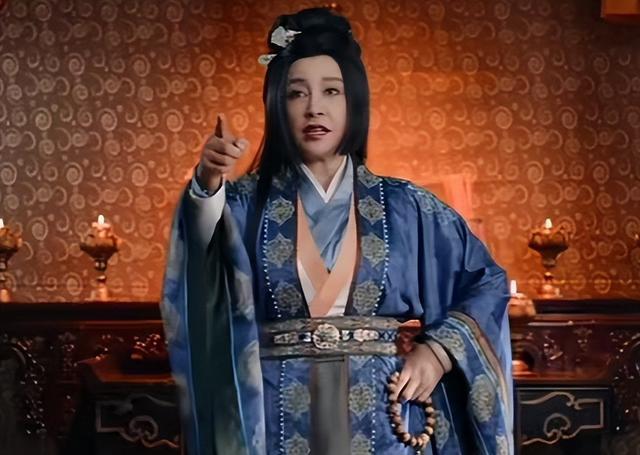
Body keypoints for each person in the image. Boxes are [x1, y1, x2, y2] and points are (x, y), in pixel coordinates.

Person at [161, 7, 513, 455]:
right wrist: (207, 186)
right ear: (277, 104)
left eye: (332, 91)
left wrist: (438, 352)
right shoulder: (243, 204)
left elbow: (486, 282)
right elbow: (200, 270)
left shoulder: (405, 207)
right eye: (296, 93)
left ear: (354, 102)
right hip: (275, 419)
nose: (315, 108)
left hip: (384, 419)